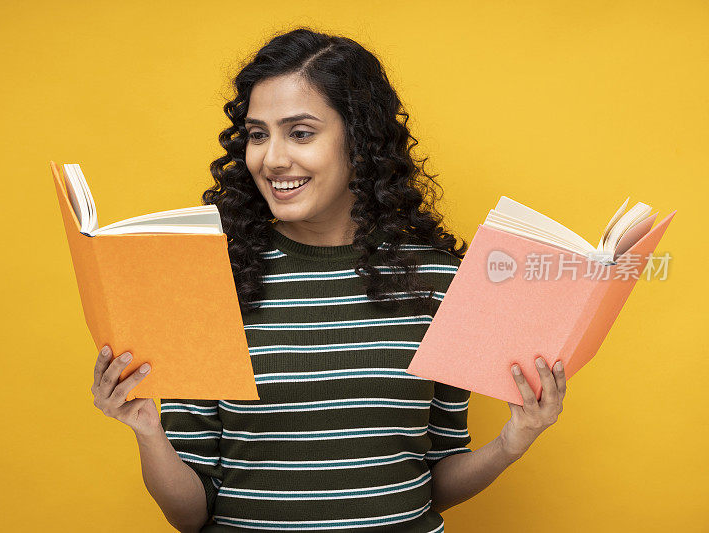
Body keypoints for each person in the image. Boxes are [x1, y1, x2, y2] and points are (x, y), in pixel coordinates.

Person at [91, 27, 568, 533]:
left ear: (359, 140)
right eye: (258, 134)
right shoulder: (209, 282)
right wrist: (147, 432)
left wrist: (514, 441)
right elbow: (189, 514)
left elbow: (432, 482)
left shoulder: (438, 282)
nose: (272, 158)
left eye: (300, 133)